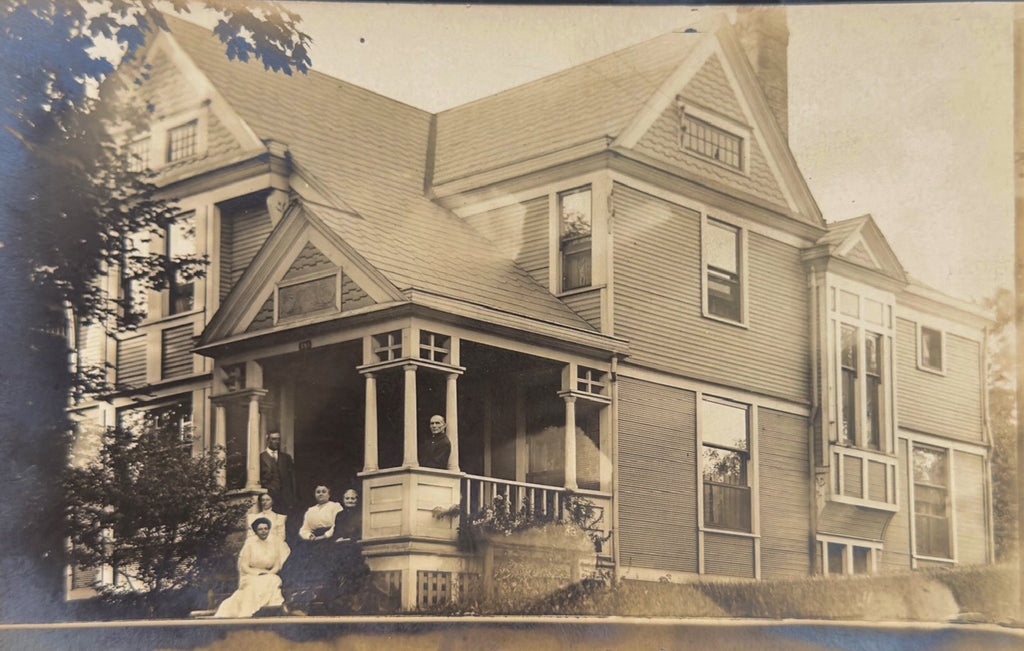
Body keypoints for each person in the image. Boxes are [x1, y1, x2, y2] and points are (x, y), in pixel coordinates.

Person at [213, 517, 290, 618]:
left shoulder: (273, 544)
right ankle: (251, 610)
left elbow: (277, 565)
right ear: (256, 531)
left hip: (268, 574)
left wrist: (270, 573)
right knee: (255, 583)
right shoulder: (250, 544)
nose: (263, 531)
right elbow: (244, 566)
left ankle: (271, 607)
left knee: (274, 579)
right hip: (251, 573)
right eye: (260, 529)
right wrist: (257, 574)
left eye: (266, 528)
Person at [259, 431, 297, 513]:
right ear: (267, 440)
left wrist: (292, 498)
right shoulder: (260, 457)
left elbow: (292, 479)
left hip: (285, 498)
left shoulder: (286, 458)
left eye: (278, 439)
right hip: (268, 497)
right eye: (274, 439)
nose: (277, 442)